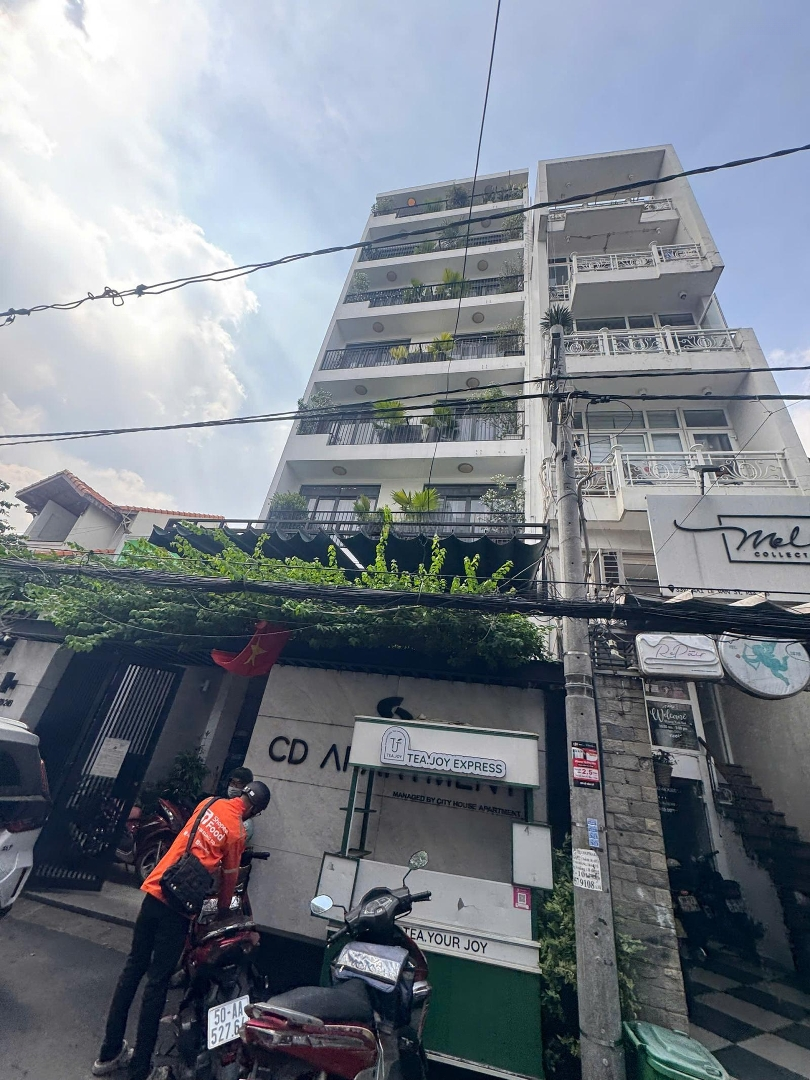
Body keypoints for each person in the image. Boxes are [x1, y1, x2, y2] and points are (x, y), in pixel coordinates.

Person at [92, 780, 271, 1080]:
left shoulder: (208, 803)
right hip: (177, 910)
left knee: (133, 970)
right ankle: (140, 1069)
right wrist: (222, 910)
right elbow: (228, 881)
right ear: (256, 810)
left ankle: (108, 1054)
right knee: (157, 984)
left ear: (241, 794)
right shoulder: (237, 832)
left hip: (156, 889)